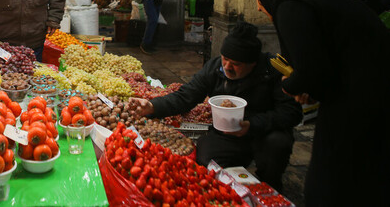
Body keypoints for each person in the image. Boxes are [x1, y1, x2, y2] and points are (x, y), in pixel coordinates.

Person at [246, 0, 390, 206]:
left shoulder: (291, 6)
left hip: (360, 101)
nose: (259, 7)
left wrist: (289, 84)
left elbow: (311, 70)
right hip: (373, 93)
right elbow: (326, 63)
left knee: (332, 177)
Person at [129, 22, 302, 190]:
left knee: (277, 144)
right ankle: (229, 186)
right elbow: (186, 96)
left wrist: (253, 124)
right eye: (225, 59)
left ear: (253, 64)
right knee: (206, 155)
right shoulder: (215, 68)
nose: (227, 67)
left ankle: (270, 186)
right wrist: (152, 106)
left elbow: (291, 112)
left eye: (236, 64)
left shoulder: (272, 71)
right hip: (228, 133)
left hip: (264, 131)